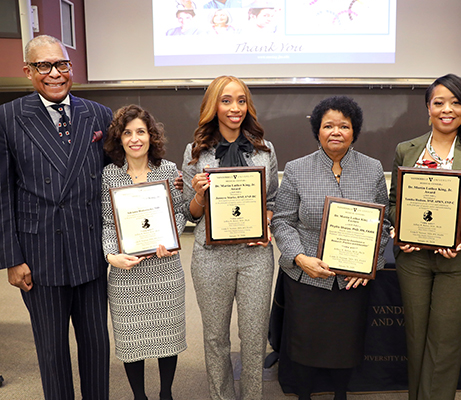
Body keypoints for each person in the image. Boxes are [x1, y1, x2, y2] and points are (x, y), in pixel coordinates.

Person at [0, 35, 111, 399]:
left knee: (96, 346)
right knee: (52, 352)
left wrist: (165, 181)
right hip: (38, 255)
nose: (55, 74)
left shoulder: (98, 114)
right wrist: (12, 259)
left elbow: (120, 180)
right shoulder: (8, 117)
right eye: (44, 66)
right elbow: (2, 193)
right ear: (28, 71)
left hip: (90, 248)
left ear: (70, 67)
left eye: (61, 64)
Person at [388, 73, 461, 400]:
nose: (447, 109)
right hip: (413, 259)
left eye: (456, 102)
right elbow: (393, 203)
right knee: (415, 338)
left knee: (444, 342)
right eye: (439, 102)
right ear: (428, 107)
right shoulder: (406, 150)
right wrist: (402, 227)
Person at [271, 95, 391, 400]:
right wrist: (299, 258)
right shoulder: (297, 169)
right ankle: (304, 395)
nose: (335, 131)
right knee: (305, 344)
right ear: (318, 131)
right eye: (328, 125)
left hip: (352, 279)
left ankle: (340, 395)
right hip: (309, 275)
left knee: (345, 344)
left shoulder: (372, 168)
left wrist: (371, 265)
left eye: (344, 126)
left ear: (354, 131)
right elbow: (282, 222)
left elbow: (384, 224)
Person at [182, 75, 278, 400]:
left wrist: (265, 219)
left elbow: (273, 202)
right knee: (215, 338)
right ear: (213, 106)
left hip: (255, 257)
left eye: (241, 100)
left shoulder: (266, 151)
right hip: (211, 257)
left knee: (253, 338)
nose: (234, 108)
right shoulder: (195, 153)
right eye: (226, 100)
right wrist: (197, 195)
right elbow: (190, 213)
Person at [102, 105, 187, 400]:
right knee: (131, 341)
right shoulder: (109, 176)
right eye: (127, 133)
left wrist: (172, 240)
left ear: (151, 136)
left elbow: (180, 212)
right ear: (119, 138)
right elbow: (107, 222)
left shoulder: (169, 170)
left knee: (168, 337)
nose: (135, 139)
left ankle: (166, 394)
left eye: (141, 131)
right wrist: (111, 256)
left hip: (165, 270)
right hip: (126, 275)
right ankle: (139, 396)